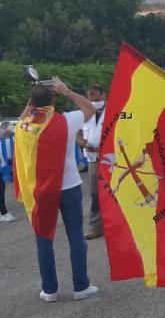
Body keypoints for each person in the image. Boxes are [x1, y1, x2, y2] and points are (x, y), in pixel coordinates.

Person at [13, 77, 98, 302]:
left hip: (41, 191)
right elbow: (89, 107)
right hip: (69, 187)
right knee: (75, 237)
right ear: (53, 99)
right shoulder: (66, 120)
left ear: (31, 103)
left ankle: (49, 290)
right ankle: (81, 286)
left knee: (43, 240)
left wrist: (31, 102)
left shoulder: (24, 126)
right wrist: (66, 90)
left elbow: (24, 117)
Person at [76, 85, 106, 240]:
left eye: (97, 99)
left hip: (112, 159)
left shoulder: (114, 111)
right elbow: (76, 132)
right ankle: (96, 227)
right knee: (95, 194)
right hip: (93, 160)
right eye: (91, 100)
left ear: (104, 95)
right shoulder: (84, 114)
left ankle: (119, 224)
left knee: (116, 192)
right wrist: (83, 143)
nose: (94, 102)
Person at [0, 124, 16, 222]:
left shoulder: (9, 137)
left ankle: (3, 212)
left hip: (4, 166)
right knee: (1, 189)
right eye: (9, 127)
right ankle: (4, 213)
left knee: (2, 189)